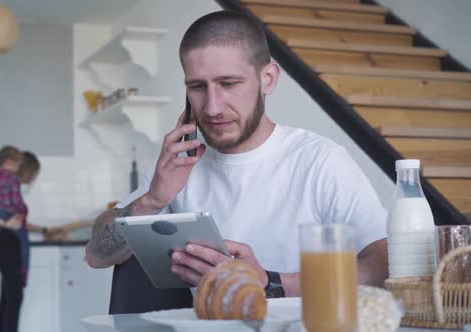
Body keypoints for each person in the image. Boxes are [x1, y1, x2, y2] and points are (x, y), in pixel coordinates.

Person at [85, 10, 389, 313]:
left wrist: (269, 281)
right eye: (198, 87)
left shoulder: (321, 162)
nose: (213, 108)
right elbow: (96, 256)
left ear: (267, 79)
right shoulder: (178, 166)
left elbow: (383, 269)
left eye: (228, 84)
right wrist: (151, 200)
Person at [0, 151, 48, 332]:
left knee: (8, 295)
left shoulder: (16, 190)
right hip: (3, 243)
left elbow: (19, 223)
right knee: (15, 295)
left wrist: (43, 230)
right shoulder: (0, 187)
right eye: (34, 174)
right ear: (27, 171)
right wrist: (5, 224)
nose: (33, 178)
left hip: (12, 244)